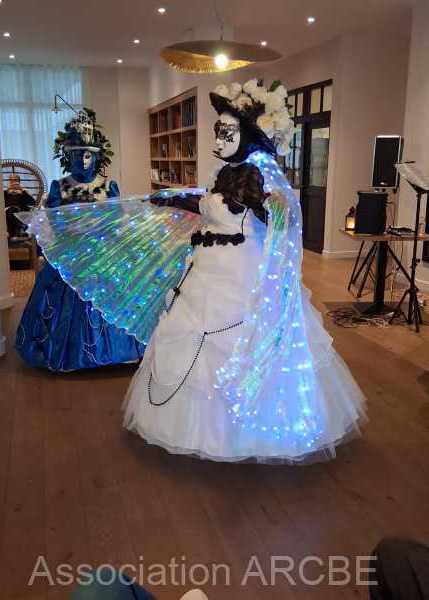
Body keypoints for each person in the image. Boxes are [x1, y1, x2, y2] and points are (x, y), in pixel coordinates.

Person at [122, 78, 366, 463]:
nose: (218, 139)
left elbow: (271, 215)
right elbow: (208, 204)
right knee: (190, 334)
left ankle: (251, 430)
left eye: (227, 132)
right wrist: (169, 199)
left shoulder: (254, 176)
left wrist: (274, 208)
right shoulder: (226, 173)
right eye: (218, 131)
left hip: (239, 274)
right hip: (206, 268)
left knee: (241, 342)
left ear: (248, 135)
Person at [16, 108, 144, 372]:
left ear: (96, 156)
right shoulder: (59, 187)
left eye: (88, 154)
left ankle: (117, 352)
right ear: (69, 155)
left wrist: (97, 227)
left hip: (105, 254)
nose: (83, 160)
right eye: (77, 154)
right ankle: (70, 354)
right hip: (71, 254)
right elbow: (56, 222)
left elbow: (115, 220)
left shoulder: (108, 186)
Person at [4, 172, 36, 239]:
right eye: (11, 180)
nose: (13, 182)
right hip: (9, 210)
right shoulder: (6, 192)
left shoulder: (24, 191)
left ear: (19, 181)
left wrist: (22, 190)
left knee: (11, 211)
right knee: (10, 211)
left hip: (21, 211)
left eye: (15, 180)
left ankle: (12, 235)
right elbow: (0, 204)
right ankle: (21, 228)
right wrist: (7, 191)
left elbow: (33, 203)